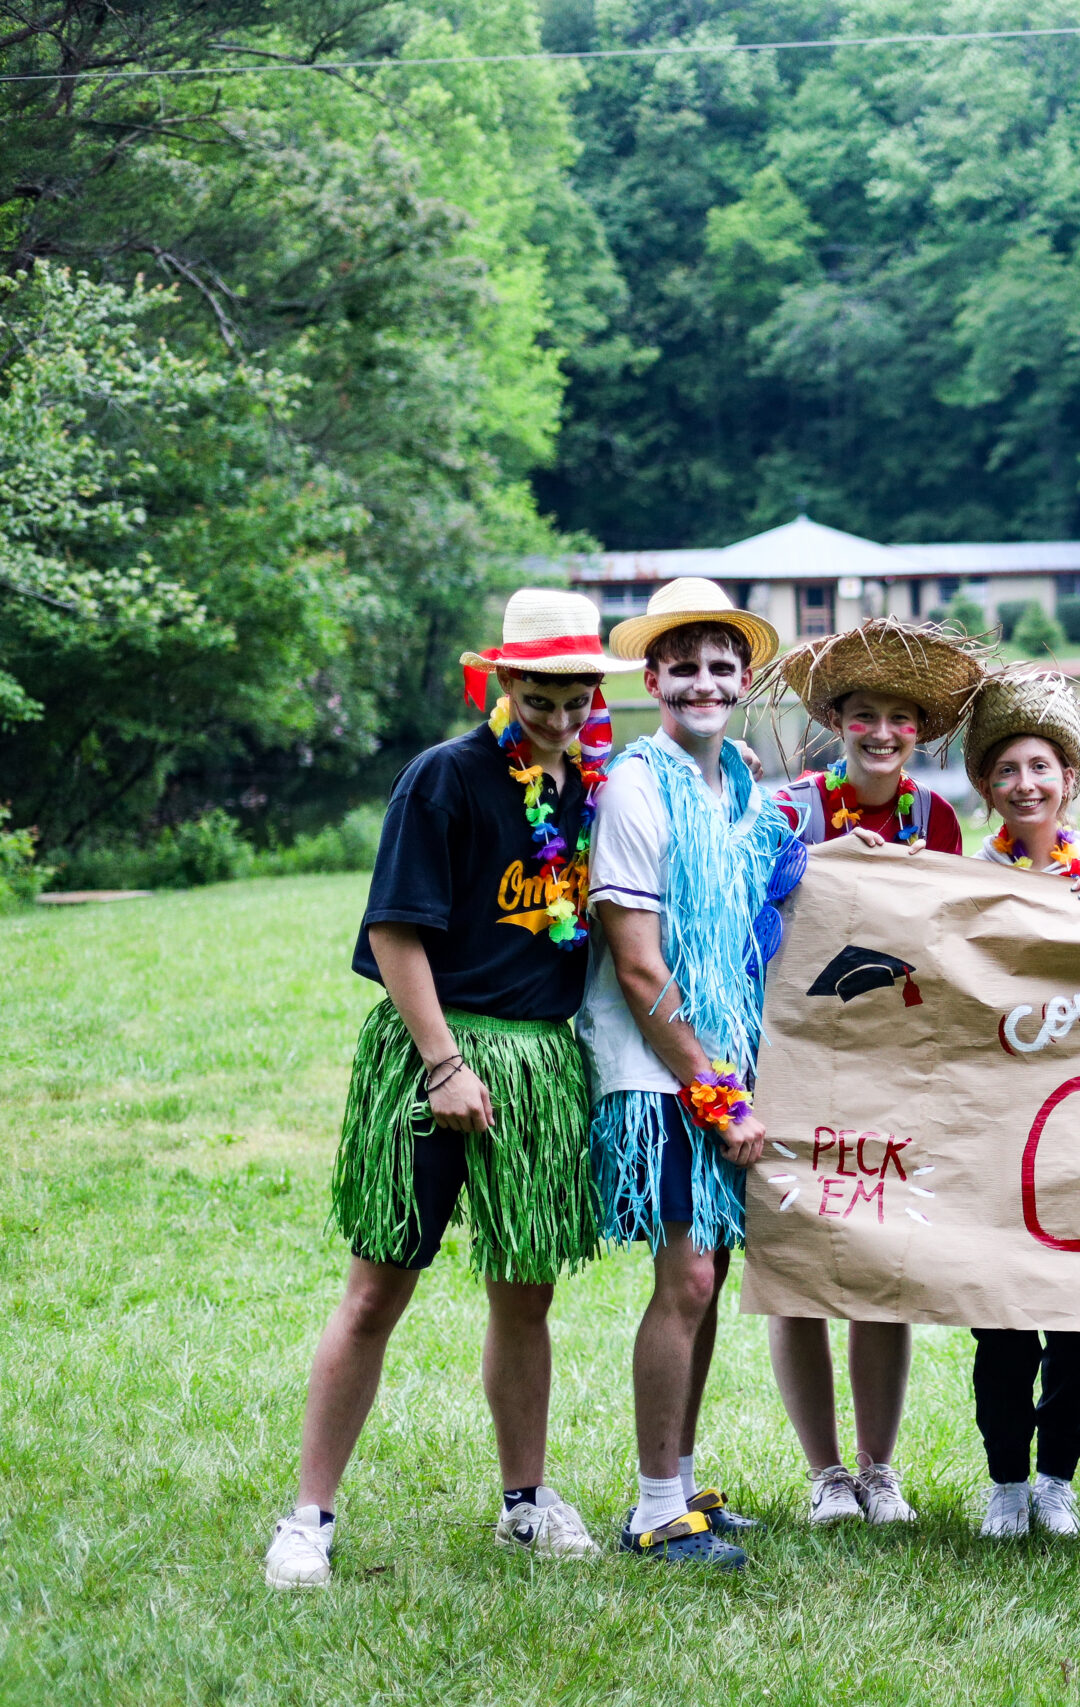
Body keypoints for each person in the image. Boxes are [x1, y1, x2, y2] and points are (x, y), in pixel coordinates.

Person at [265, 589, 638, 1588]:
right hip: (435, 1054)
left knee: (526, 1295)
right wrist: (443, 1064)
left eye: (575, 699)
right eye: (539, 697)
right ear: (503, 680)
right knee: (376, 1288)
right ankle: (308, 1516)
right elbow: (394, 931)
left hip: (540, 1065)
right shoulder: (446, 776)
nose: (557, 716)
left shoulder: (593, 794)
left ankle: (525, 1501)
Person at [584, 577, 798, 1570]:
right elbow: (637, 965)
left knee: (705, 1278)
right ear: (653, 679)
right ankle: (653, 1509)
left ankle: (683, 1482)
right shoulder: (637, 785)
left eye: (721, 666)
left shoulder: (738, 786)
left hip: (722, 1067)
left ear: (742, 679)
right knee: (690, 1275)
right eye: (684, 668)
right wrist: (715, 1094)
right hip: (663, 1071)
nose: (703, 683)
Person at [764, 618, 988, 1527]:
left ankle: (879, 1468)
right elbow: (758, 924)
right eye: (864, 715)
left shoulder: (937, 819)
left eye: (900, 718)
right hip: (797, 1061)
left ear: (921, 732)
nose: (883, 732)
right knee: (798, 1270)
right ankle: (825, 1473)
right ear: (836, 723)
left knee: (880, 1267)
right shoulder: (790, 812)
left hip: (895, 1067)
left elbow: (957, 938)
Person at [958, 669, 1080, 1539]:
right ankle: (1006, 1481)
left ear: (1069, 778)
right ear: (988, 786)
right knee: (1001, 1319)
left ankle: (1058, 1476)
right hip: (997, 1122)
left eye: (1041, 767)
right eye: (1008, 770)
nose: (1026, 784)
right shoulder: (963, 877)